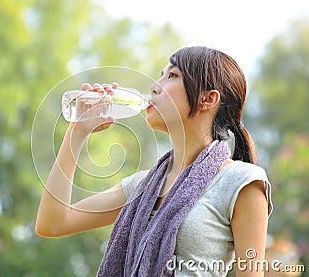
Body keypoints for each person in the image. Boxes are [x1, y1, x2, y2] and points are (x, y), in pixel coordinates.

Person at [35, 46, 273, 276]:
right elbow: (52, 222)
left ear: (207, 99)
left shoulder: (241, 182)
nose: (154, 87)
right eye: (161, 75)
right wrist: (77, 131)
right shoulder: (143, 187)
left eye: (172, 75)